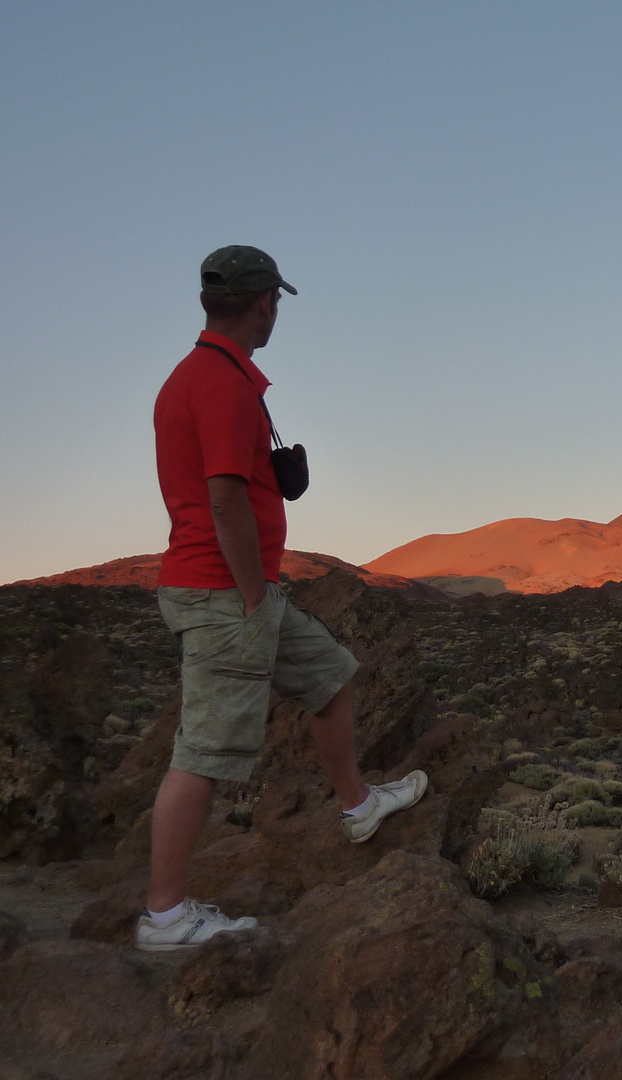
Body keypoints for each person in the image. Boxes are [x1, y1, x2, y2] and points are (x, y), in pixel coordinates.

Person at [137, 245, 427, 951]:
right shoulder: (221, 384)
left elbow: (230, 482)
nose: (276, 313)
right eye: (276, 303)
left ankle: (357, 804)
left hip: (238, 587)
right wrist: (247, 596)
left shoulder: (202, 377)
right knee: (203, 753)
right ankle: (165, 916)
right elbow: (225, 499)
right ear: (265, 302)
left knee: (331, 675)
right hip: (224, 593)